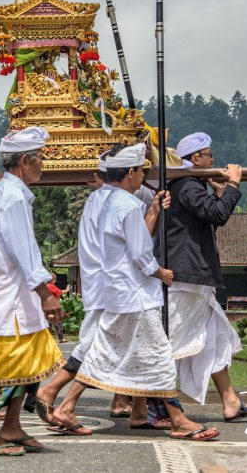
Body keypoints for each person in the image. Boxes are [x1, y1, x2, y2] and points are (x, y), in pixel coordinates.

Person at [52, 143, 219, 442]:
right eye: (141, 170)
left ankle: (69, 405)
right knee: (157, 357)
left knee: (107, 353)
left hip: (116, 291)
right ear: (130, 172)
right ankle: (178, 419)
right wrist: (161, 273)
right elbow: (140, 253)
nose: (143, 175)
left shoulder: (100, 200)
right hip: (135, 294)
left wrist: (153, 209)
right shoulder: (127, 205)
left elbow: (128, 242)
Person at [0, 126, 65, 456]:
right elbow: (21, 249)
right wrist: (46, 293)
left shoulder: (4, 193)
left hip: (14, 293)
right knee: (7, 367)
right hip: (7, 296)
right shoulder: (9, 197)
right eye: (39, 159)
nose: (42, 165)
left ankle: (11, 426)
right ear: (25, 160)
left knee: (28, 362)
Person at [164, 132, 247, 421]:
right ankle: (151, 404)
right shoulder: (187, 186)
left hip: (195, 279)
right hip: (186, 280)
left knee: (215, 339)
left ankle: (230, 400)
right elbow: (217, 215)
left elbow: (208, 222)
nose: (213, 159)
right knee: (175, 342)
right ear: (196, 159)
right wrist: (232, 183)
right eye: (208, 154)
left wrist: (222, 192)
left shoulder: (189, 187)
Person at [34, 152, 132, 424]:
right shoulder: (118, 203)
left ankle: (122, 400)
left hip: (100, 285)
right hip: (113, 287)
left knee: (106, 345)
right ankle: (53, 392)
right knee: (98, 347)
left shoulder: (95, 200)